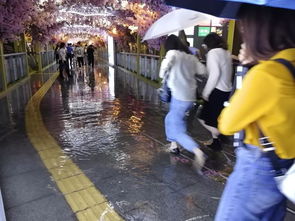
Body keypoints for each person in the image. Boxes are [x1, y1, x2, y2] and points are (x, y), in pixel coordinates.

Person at [215, 4, 295, 221]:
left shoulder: (266, 74)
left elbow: (227, 124)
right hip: (284, 167)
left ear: (261, 30)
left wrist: (246, 68)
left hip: (257, 169)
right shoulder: (288, 64)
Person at [159, 35, 207, 172]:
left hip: (179, 97)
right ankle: (174, 146)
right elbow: (203, 71)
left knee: (177, 129)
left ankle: (198, 152)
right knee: (171, 119)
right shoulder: (190, 57)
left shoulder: (172, 54)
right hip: (190, 98)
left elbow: (163, 72)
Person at [198, 32, 233, 151]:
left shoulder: (212, 53)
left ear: (208, 44)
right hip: (226, 91)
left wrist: (206, 93)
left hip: (216, 91)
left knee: (203, 118)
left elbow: (215, 74)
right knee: (214, 119)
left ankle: (220, 135)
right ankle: (216, 143)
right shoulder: (226, 53)